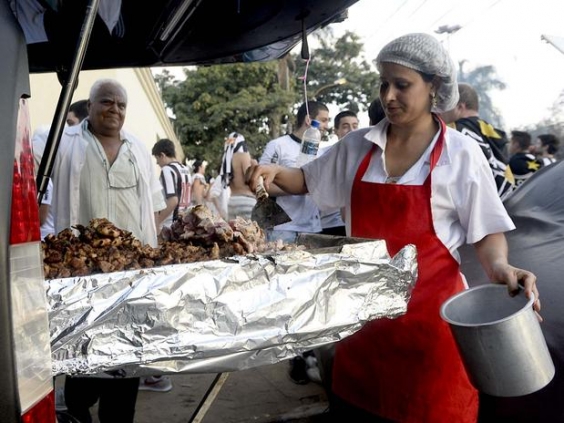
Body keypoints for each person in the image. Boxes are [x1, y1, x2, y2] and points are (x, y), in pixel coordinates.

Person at [246, 33, 540, 423]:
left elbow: (485, 233)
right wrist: (272, 172)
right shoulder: (355, 146)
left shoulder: (460, 153)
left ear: (434, 85)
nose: (389, 96)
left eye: (402, 85)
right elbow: (305, 180)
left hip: (431, 338)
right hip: (364, 334)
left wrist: (501, 268)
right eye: (384, 83)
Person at [50, 78, 166, 423]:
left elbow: (155, 207)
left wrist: (151, 257)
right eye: (106, 102)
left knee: (125, 361)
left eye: (120, 104)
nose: (114, 109)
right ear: (90, 105)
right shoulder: (65, 143)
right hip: (83, 273)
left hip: (131, 274)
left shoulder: (138, 149)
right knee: (82, 366)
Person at [258, 100, 329, 243]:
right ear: (309, 120)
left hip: (313, 228)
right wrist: (297, 186)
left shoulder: (321, 153)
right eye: (323, 120)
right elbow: (261, 184)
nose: (326, 126)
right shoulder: (278, 145)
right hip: (282, 229)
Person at [441, 83, 515, 200]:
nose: (441, 111)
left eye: (446, 105)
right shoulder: (492, 131)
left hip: (478, 203)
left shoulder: (455, 131)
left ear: (460, 107)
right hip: (505, 199)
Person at [319, 111, 359, 236]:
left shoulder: (364, 155)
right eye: (346, 126)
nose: (351, 130)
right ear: (336, 130)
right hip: (328, 225)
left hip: (355, 226)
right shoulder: (323, 155)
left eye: (355, 126)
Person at [152, 138, 191, 231]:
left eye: (157, 159)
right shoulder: (186, 169)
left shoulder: (167, 170)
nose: (157, 163)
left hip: (170, 225)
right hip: (185, 222)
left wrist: (156, 222)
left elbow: (173, 200)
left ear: (162, 155)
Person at [219, 132, 256, 220]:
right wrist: (255, 165)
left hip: (232, 201)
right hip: (246, 200)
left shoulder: (226, 160)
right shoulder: (243, 155)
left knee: (234, 232)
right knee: (249, 233)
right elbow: (250, 179)